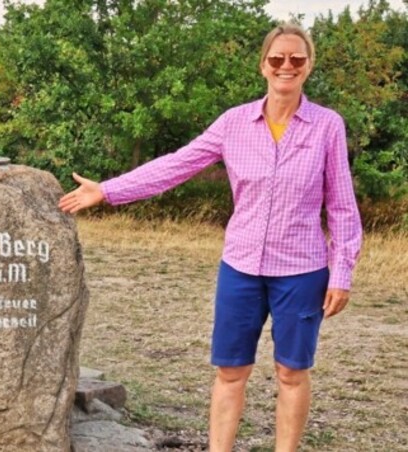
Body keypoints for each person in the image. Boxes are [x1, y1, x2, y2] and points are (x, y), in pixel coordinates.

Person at [59, 23, 362, 452]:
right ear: (263, 65)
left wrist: (342, 272)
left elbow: (344, 207)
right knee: (230, 371)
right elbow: (176, 165)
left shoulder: (327, 126)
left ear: (308, 65)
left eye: (297, 59)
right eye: (277, 59)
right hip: (240, 267)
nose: (286, 66)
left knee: (292, 372)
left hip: (302, 270)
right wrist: (108, 190)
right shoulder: (234, 123)